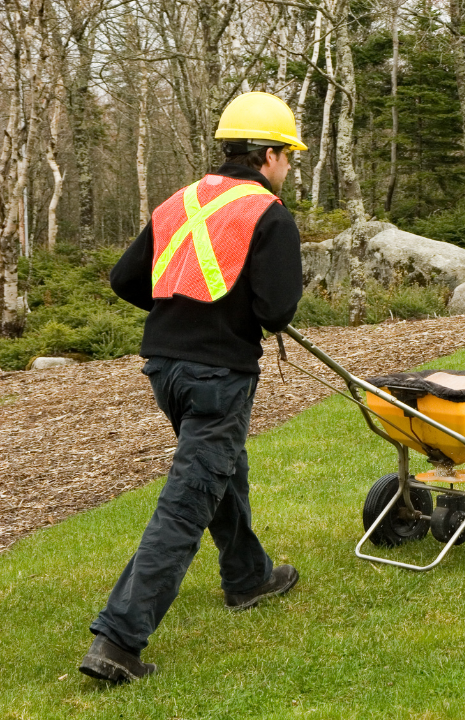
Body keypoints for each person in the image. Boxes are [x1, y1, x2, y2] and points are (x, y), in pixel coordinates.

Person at [79, 92, 308, 684]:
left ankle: (248, 576)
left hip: (165, 368)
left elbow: (126, 278)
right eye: (289, 155)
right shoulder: (269, 213)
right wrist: (228, 319)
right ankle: (118, 641)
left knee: (220, 467)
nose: (289, 167)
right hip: (218, 376)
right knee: (187, 501)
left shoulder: (179, 201)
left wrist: (180, 315)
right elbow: (276, 312)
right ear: (269, 153)